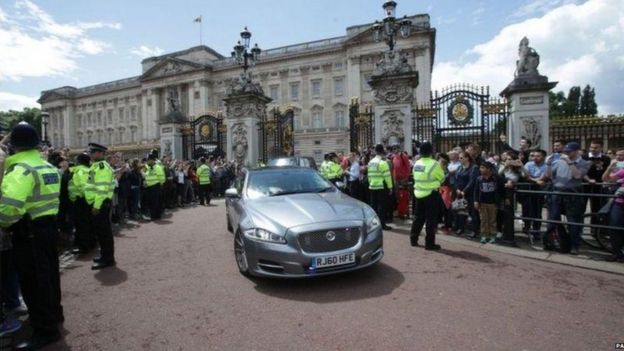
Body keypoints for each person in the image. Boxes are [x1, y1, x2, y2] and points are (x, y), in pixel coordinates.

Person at [0, 123, 63, 349]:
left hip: (28, 232)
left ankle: (45, 330)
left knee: (33, 283)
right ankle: (54, 316)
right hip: (46, 228)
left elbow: (9, 208)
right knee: (49, 277)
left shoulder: (21, 169)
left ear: (14, 146)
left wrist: (5, 225)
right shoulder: (46, 166)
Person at [544, 142, 590, 255]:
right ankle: (553, 242)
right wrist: (549, 164)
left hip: (573, 194)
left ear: (577, 151)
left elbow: (578, 176)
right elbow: (548, 176)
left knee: (573, 221)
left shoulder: (585, 163)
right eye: (565, 152)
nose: (566, 154)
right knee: (553, 219)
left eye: (569, 152)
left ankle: (575, 245)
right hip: (557, 192)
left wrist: (569, 162)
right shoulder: (558, 162)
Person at [85, 143, 116, 269]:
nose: (90, 154)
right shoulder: (96, 167)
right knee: (102, 232)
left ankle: (108, 259)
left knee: (104, 233)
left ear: (100, 153)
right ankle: (105, 255)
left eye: (92, 152)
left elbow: (101, 189)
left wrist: (96, 206)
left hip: (100, 204)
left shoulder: (102, 167)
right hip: (99, 203)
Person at [409, 142, 444, 250]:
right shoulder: (435, 164)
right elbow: (442, 178)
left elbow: (414, 176)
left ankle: (413, 239)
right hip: (431, 194)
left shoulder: (417, 163)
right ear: (431, 151)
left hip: (418, 194)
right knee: (431, 220)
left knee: (418, 218)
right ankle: (429, 244)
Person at [68, 153, 94, 254]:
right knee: (89, 222)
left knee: (81, 224)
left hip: (80, 200)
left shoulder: (79, 170)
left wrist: (74, 198)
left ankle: (83, 246)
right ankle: (91, 242)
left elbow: (83, 187)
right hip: (90, 199)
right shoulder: (90, 170)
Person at [584, 140, 612, 229]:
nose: (593, 149)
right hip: (584, 185)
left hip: (599, 186)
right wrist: (588, 180)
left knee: (596, 207)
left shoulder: (606, 158)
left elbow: (607, 172)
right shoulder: (584, 157)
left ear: (601, 148)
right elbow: (581, 172)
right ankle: (578, 229)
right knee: (581, 207)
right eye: (591, 147)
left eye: (595, 148)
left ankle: (595, 228)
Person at [474, 161, 504, 244]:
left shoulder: (496, 178)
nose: (481, 170)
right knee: (483, 220)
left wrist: (501, 200)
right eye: (480, 168)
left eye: (483, 168)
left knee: (492, 220)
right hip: (482, 202)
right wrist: (476, 201)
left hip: (493, 203)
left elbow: (502, 189)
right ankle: (484, 235)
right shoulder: (479, 178)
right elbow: (476, 190)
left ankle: (492, 235)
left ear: (489, 169)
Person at [603, 154, 624, 262]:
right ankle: (617, 253)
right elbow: (606, 179)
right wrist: (609, 167)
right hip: (619, 203)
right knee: (614, 228)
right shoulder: (622, 171)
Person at [523, 149, 547, 240]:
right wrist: (536, 180)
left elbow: (543, 177)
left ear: (543, 157)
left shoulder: (546, 166)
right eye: (534, 156)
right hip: (528, 190)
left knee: (537, 212)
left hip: (540, 191)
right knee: (527, 210)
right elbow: (526, 175)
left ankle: (536, 231)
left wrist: (535, 179)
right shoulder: (529, 164)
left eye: (538, 156)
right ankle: (526, 227)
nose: (535, 158)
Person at [368, 144, 393, 230]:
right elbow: (387, 176)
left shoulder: (370, 162)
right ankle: (382, 224)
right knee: (382, 207)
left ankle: (374, 224)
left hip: (372, 186)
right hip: (381, 187)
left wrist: (371, 183)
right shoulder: (383, 163)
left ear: (375, 151)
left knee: (373, 206)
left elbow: (369, 175)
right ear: (382, 151)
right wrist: (390, 187)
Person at [454, 151, 480, 236]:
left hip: (470, 193)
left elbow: (472, 181)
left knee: (473, 213)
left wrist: (464, 191)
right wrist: (457, 189)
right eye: (459, 158)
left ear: (467, 158)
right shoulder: (459, 168)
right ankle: (461, 228)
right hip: (460, 194)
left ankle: (474, 230)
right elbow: (456, 179)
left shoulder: (474, 167)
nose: (459, 159)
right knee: (461, 212)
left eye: (461, 158)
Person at [143, 154, 163, 220]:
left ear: (151, 160)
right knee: (153, 202)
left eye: (148, 160)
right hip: (150, 187)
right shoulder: (149, 167)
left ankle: (154, 216)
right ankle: (156, 215)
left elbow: (161, 178)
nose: (147, 162)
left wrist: (158, 184)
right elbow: (147, 175)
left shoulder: (157, 167)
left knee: (155, 202)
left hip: (155, 186)